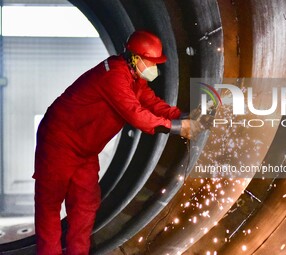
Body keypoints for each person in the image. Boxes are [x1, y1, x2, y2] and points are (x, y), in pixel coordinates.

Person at [33, 30, 193, 255]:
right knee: (49, 205)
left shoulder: (135, 80)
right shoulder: (114, 76)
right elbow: (136, 114)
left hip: (85, 151)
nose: (154, 67)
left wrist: (183, 116)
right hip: (58, 141)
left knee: (86, 206)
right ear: (135, 58)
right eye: (151, 62)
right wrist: (177, 128)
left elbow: (152, 103)